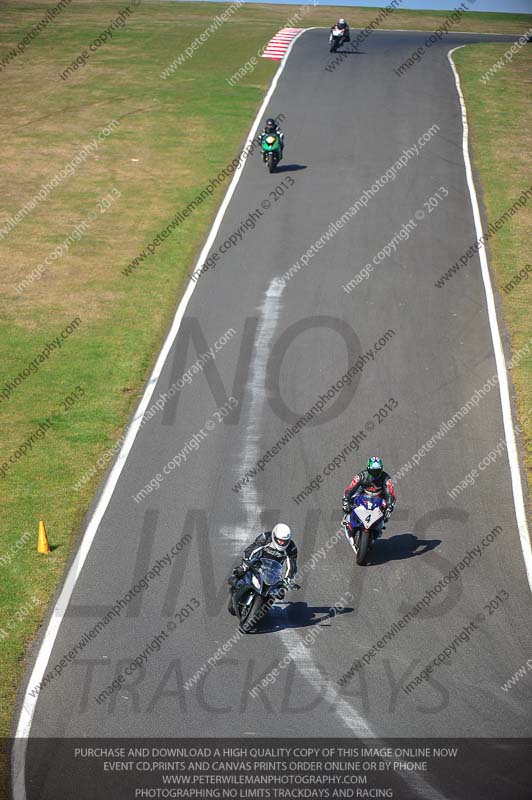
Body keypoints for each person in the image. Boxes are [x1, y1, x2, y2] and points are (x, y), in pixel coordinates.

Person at [227, 523, 298, 614]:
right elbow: (251, 550)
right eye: (279, 540)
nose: (281, 543)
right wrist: (245, 565)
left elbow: (292, 565)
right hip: (257, 563)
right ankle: (236, 586)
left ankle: (263, 608)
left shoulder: (291, 548)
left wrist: (287, 580)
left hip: (274, 571)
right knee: (240, 572)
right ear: (274, 536)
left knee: (279, 593)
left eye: (284, 541)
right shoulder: (265, 538)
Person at [342, 456, 396, 538]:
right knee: (351, 499)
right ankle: (347, 516)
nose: (375, 473)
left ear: (381, 469)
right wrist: (346, 501)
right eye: (372, 471)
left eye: (377, 471)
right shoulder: (361, 476)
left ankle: (379, 526)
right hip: (363, 493)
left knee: (388, 508)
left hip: (379, 496)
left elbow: (390, 493)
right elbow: (350, 489)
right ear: (368, 469)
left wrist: (389, 507)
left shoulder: (386, 478)